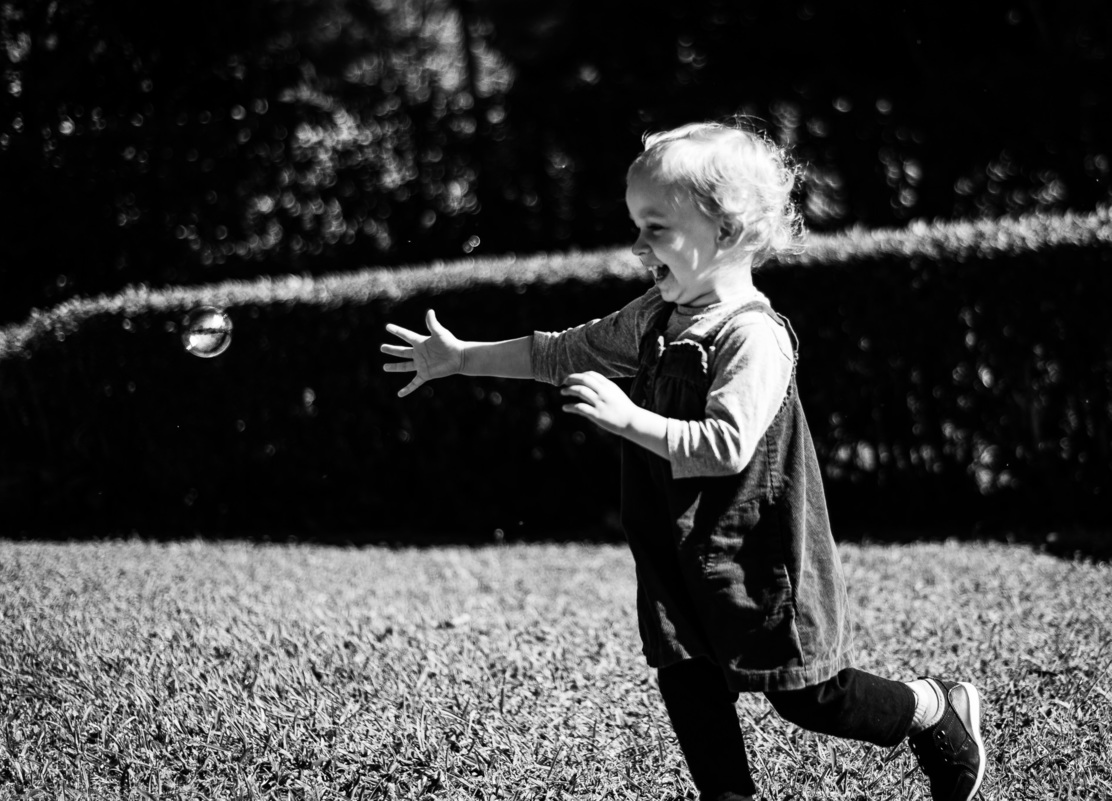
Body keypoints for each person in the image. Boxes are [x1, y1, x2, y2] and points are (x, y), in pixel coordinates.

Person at [380, 119, 986, 801]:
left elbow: (727, 445)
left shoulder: (752, 337)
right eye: (637, 224)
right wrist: (462, 357)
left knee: (810, 696)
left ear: (726, 233)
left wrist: (631, 419)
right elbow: (559, 351)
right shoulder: (656, 313)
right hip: (676, 548)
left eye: (656, 228)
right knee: (689, 677)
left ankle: (934, 706)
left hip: (758, 555)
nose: (638, 246)